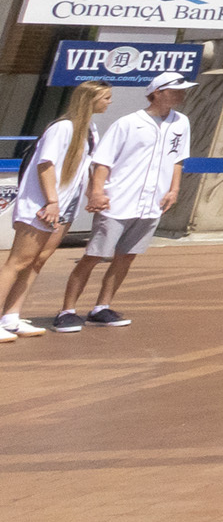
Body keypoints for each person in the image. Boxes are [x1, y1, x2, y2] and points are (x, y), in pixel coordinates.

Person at [52, 72, 194, 329]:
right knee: (94, 255)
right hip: (119, 201)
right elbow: (102, 162)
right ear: (158, 92)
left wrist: (174, 189)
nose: (182, 94)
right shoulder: (128, 123)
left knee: (126, 256)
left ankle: (102, 307)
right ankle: (66, 310)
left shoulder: (181, 122)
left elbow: (177, 159)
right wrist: (97, 192)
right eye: (176, 90)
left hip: (152, 203)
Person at [3, 82, 105, 336]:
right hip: (43, 204)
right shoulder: (63, 128)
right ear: (88, 100)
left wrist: (93, 193)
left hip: (65, 205)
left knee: (38, 261)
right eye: (106, 97)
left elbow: (87, 168)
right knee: (18, 261)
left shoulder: (90, 129)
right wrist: (52, 201)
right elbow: (45, 165)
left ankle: (11, 316)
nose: (109, 102)